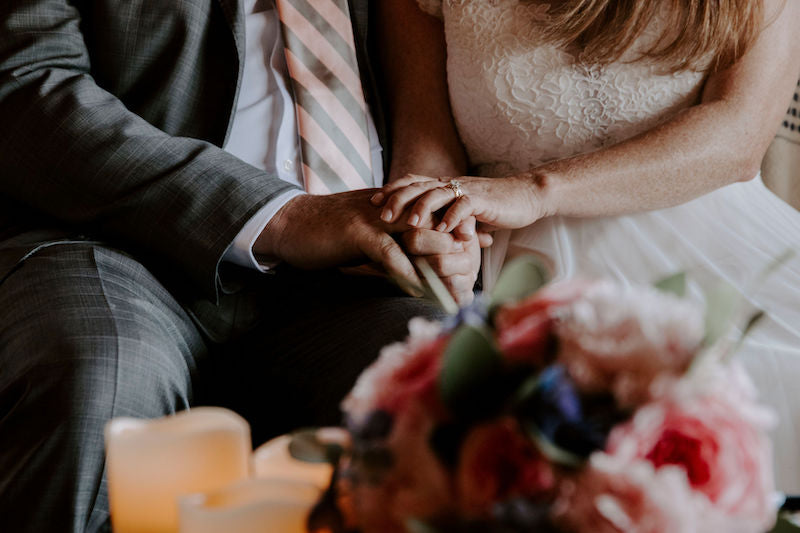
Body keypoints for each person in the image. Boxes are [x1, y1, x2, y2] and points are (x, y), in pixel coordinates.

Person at [0, 0, 483, 530]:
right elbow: (26, 84)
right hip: (116, 243)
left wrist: (424, 228)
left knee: (450, 384)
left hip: (356, 275)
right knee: (100, 379)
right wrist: (284, 218)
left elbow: (423, 103)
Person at [376, 0, 800, 492]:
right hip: (531, 276)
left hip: (730, 250)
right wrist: (442, 233)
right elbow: (425, 141)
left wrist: (536, 190)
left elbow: (738, 137)